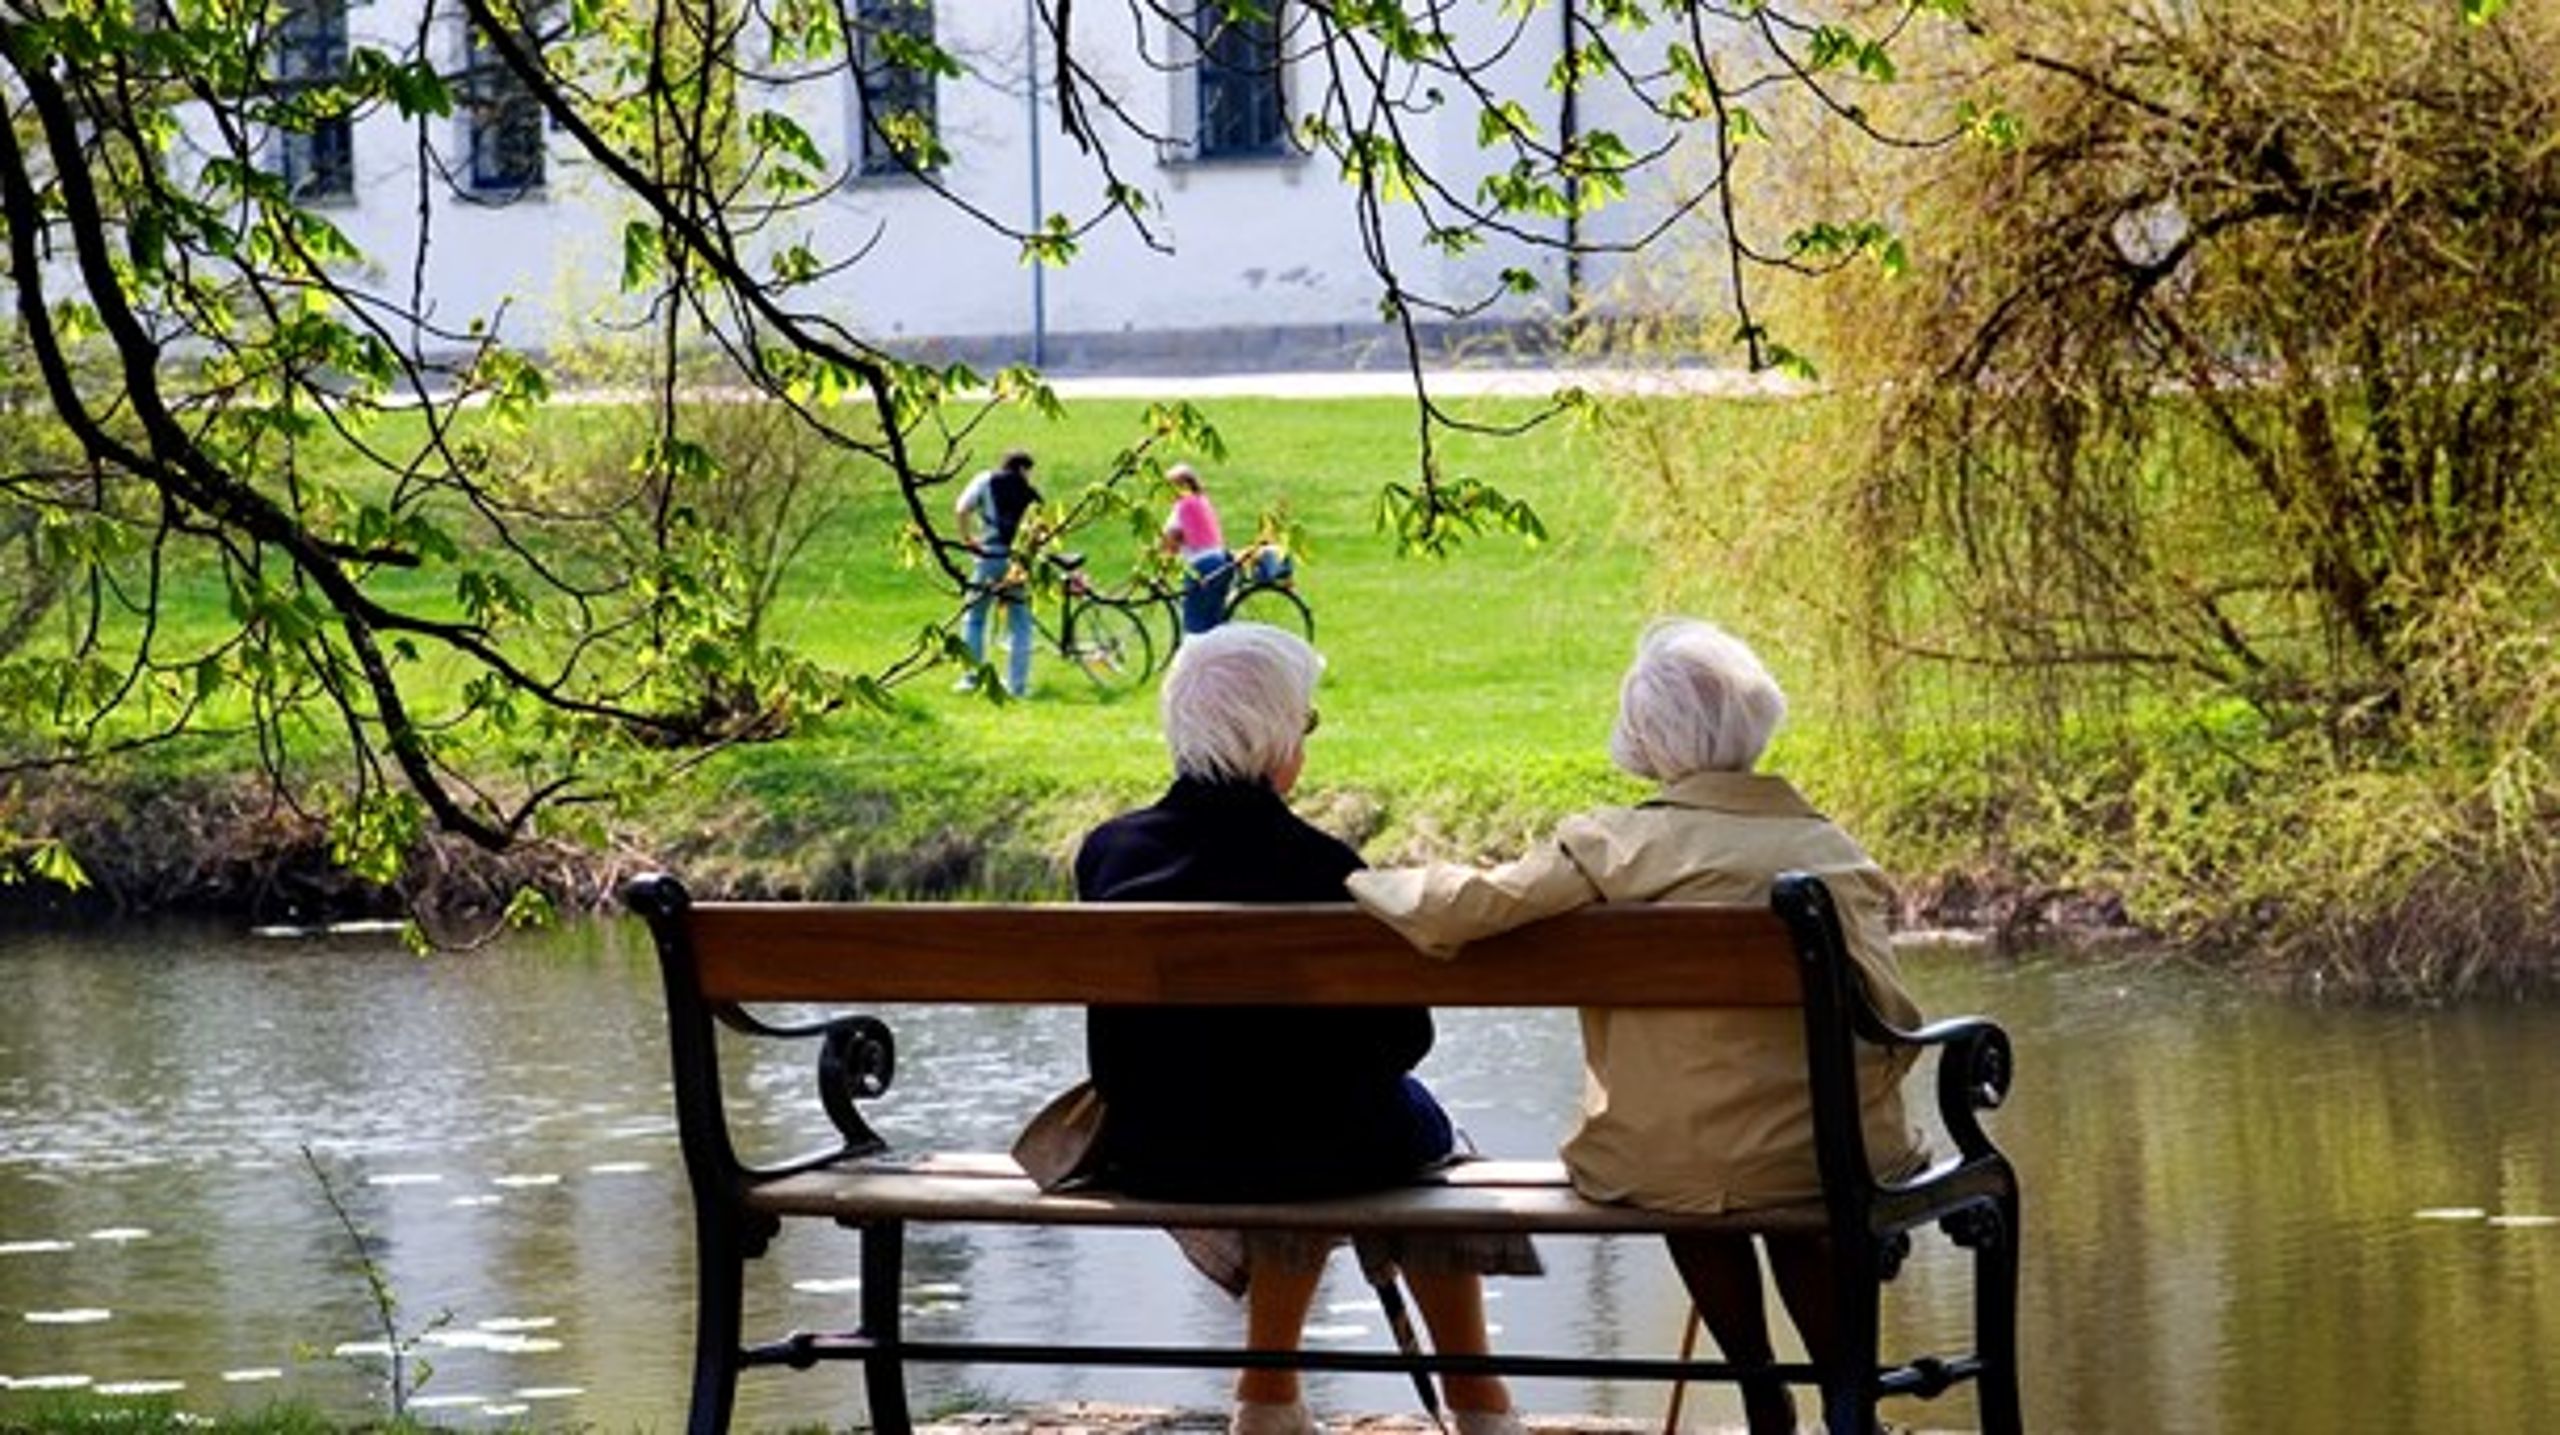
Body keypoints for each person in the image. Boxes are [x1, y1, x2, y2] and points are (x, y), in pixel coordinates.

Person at [1346, 618, 1930, 1435]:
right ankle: (1843, 1389)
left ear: (1647, 737)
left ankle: (1759, 1382)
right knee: (1785, 1163)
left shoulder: (1618, 843)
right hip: (1825, 1154)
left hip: (1666, 1157)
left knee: (1688, 1161)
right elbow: (1894, 1016)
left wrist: (1359, 883)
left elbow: (1468, 907)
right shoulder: (1833, 852)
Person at [1073, 623, 1527, 1435]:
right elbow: (1401, 1040)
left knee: (1299, 1123)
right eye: (1306, 725)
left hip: (1153, 1144)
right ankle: (1478, 1406)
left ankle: (1269, 1397)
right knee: (1416, 1146)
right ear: (1279, 737)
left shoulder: (1109, 852)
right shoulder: (1324, 865)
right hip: (1307, 1145)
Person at [953, 449, 1042, 696]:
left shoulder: (985, 480)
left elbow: (961, 509)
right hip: (1016, 562)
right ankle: (1017, 686)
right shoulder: (1029, 493)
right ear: (1024, 469)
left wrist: (968, 538)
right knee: (1021, 624)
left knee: (975, 617)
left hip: (988, 555)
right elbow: (1040, 529)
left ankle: (971, 678)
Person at [1161, 462, 1234, 635]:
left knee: (1195, 626)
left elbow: (1171, 541)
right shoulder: (1202, 502)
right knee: (1214, 622)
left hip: (1201, 567)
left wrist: (1162, 569)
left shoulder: (1183, 507)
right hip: (1221, 562)